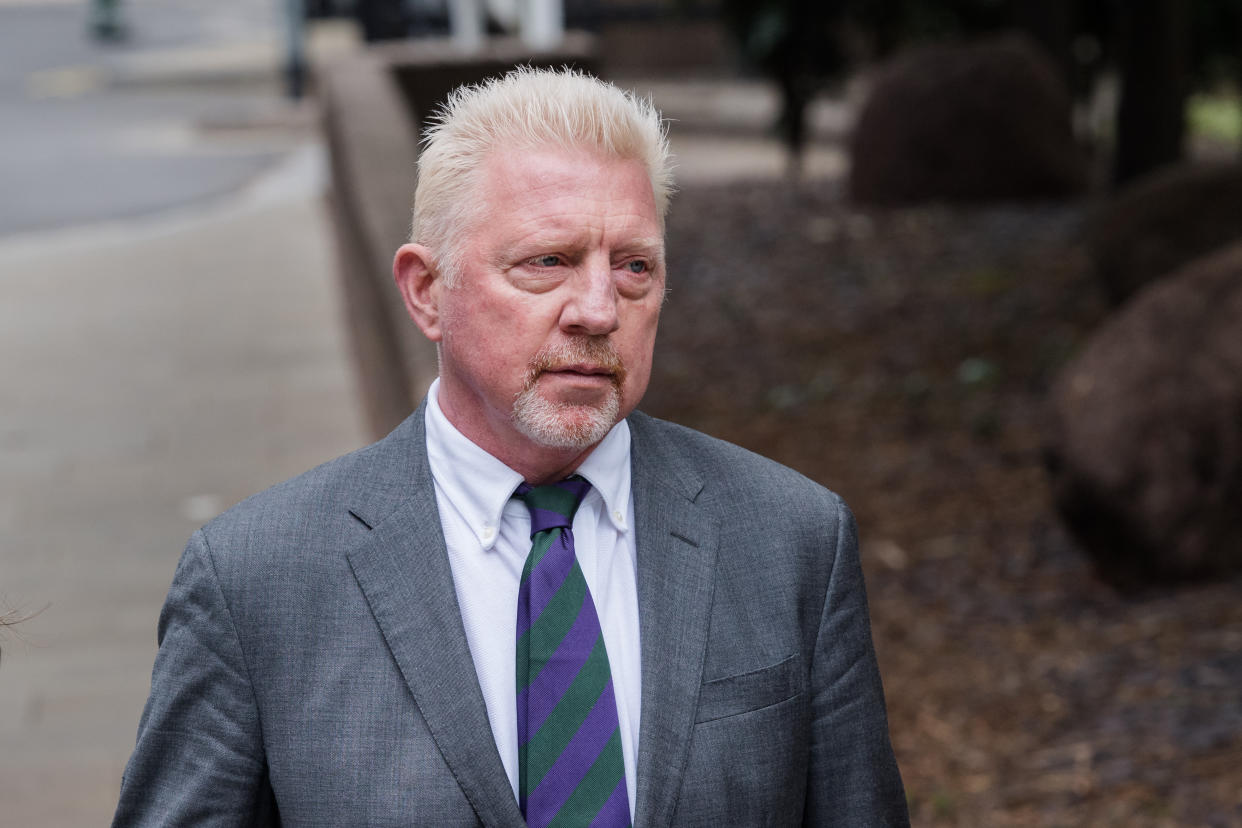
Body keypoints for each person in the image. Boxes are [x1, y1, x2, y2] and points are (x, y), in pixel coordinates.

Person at [113, 67, 908, 826]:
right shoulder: (257, 582)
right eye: (548, 262)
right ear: (428, 291)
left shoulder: (790, 540)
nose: (598, 309)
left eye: (634, 266)